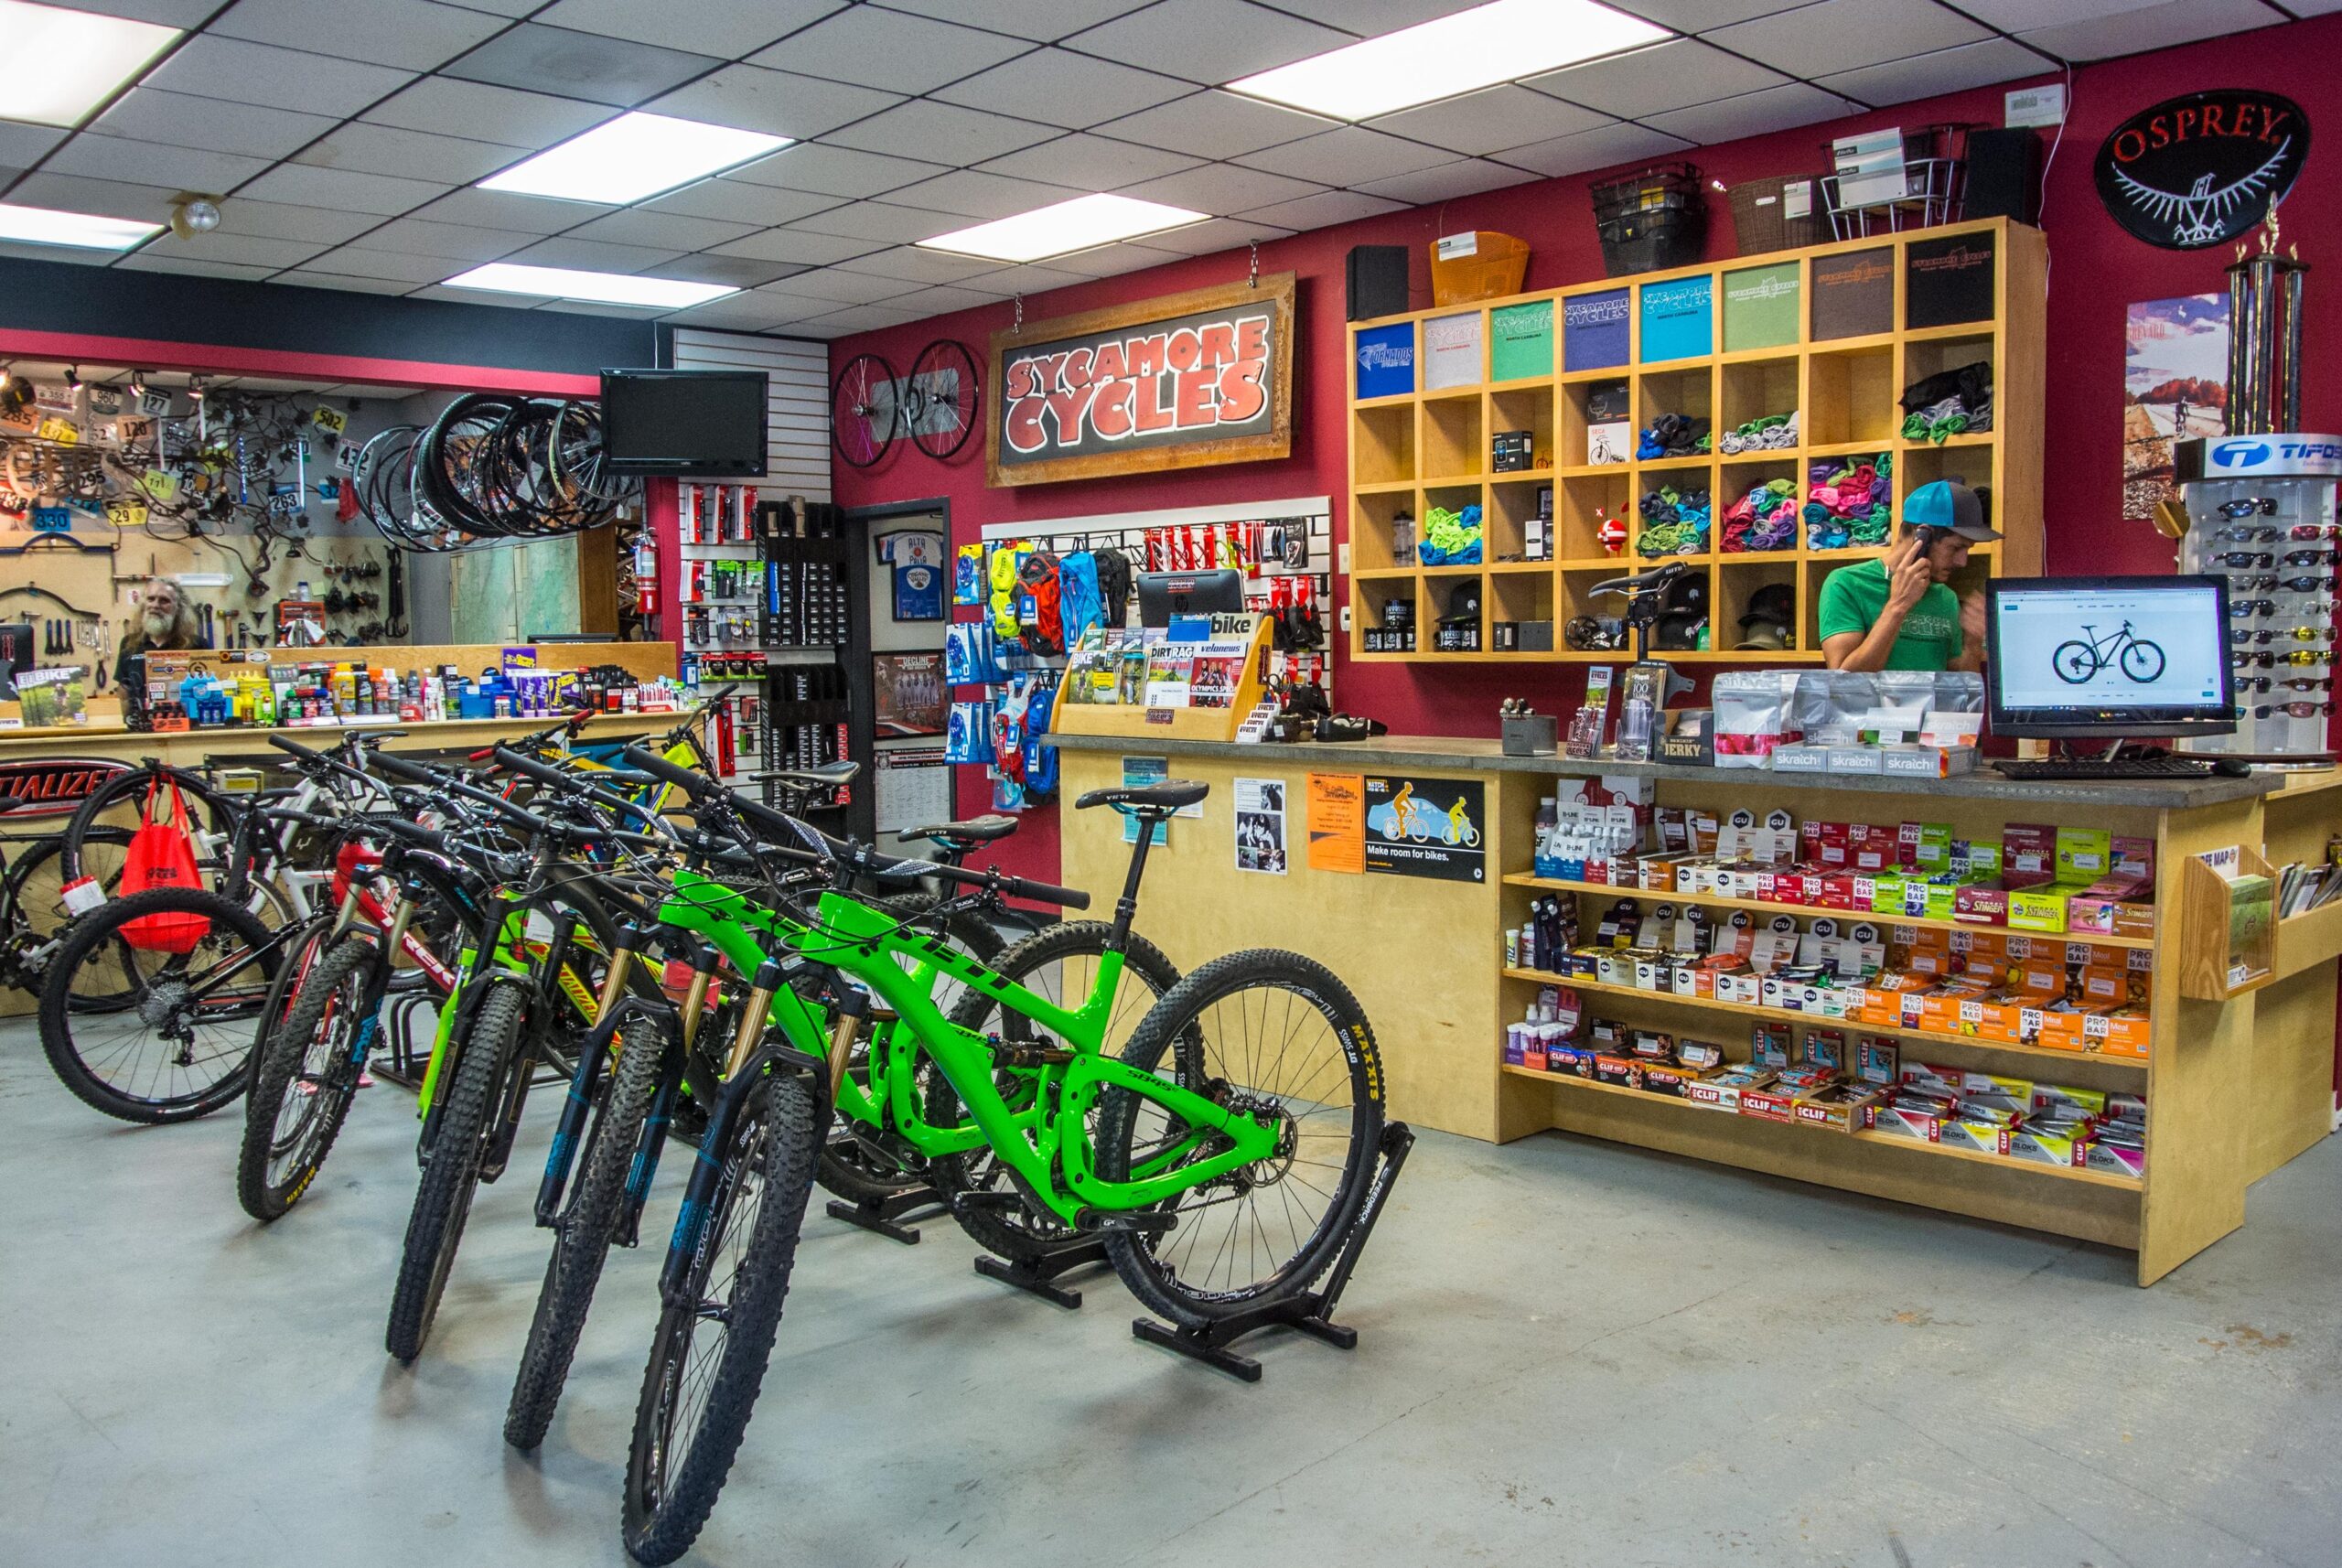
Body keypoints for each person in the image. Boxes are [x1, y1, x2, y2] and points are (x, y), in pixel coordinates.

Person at [1818, 479, 1997, 672]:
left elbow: (1958, 686)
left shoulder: (1946, 598)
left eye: (1967, 549)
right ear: (1922, 536)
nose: (1962, 562)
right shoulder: (1845, 584)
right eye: (1956, 547)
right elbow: (1845, 682)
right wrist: (1898, 606)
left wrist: (1973, 644)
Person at [113, 577, 205, 722]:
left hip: (187, 729)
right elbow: (124, 692)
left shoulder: (197, 645)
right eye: (151, 599)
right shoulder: (128, 644)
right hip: (140, 729)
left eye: (164, 601)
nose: (155, 605)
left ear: (178, 608)